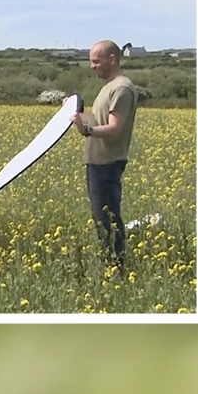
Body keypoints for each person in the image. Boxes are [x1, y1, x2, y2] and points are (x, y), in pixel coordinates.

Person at [70, 38, 138, 267]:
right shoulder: (108, 87)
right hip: (97, 162)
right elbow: (99, 120)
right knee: (101, 219)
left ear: (112, 59)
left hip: (107, 163)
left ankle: (115, 267)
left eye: (96, 61)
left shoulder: (121, 88)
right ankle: (109, 263)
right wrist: (77, 115)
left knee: (108, 220)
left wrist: (86, 130)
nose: (92, 66)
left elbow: (114, 129)